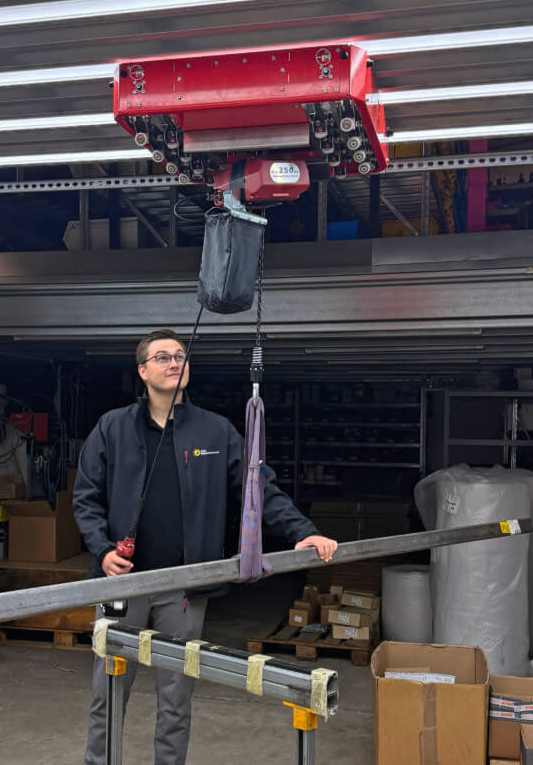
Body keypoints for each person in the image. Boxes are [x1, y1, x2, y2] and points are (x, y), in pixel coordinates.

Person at [73, 328, 337, 765]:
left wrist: (301, 531)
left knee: (176, 697)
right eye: (162, 357)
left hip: (185, 588)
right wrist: (102, 551)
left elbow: (257, 489)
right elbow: (86, 498)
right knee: (108, 691)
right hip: (122, 584)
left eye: (180, 356)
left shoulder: (215, 431)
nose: (174, 363)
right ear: (142, 371)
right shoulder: (112, 428)